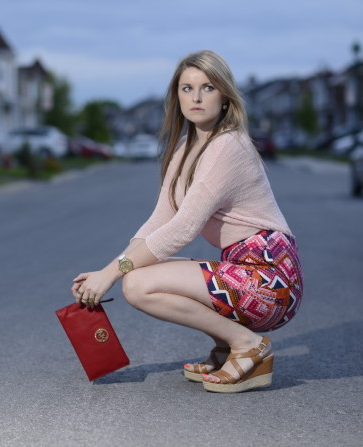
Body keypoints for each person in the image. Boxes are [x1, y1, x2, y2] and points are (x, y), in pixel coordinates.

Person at [71, 50, 303, 393]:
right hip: (240, 270)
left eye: (208, 87)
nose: (195, 97)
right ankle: (228, 348)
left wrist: (110, 275)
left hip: (271, 282)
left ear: (225, 97)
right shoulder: (185, 148)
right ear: (176, 96)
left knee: (137, 285)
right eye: (186, 88)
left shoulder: (228, 146)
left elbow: (183, 229)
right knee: (135, 275)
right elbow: (160, 220)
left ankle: (247, 345)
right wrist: (107, 270)